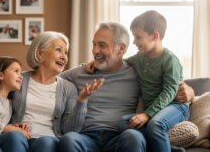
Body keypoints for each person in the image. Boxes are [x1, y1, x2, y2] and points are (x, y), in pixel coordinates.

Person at [59, 22, 195, 152]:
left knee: (134, 136)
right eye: (94, 44)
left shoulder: (137, 72)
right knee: (69, 139)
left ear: (121, 49)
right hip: (86, 136)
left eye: (102, 45)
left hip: (119, 136)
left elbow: (167, 86)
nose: (95, 51)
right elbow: (50, 79)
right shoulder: (81, 72)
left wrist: (189, 91)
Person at [0, 31, 104, 152]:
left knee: (46, 143)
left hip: (48, 139)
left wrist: (81, 101)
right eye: (58, 50)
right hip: (15, 136)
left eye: (66, 53)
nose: (64, 57)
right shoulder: (18, 79)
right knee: (15, 137)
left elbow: (69, 130)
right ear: (40, 54)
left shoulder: (68, 88)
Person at [118, 10, 189, 152]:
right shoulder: (140, 58)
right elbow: (120, 63)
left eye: (138, 37)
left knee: (156, 124)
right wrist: (93, 64)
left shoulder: (170, 60)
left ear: (155, 36)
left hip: (175, 107)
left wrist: (147, 114)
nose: (134, 42)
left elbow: (169, 92)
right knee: (123, 123)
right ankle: (166, 147)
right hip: (155, 111)